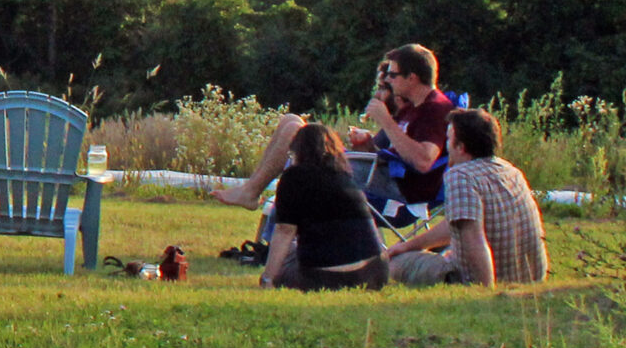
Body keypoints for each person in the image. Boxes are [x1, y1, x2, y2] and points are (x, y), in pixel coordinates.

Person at [213, 44, 455, 223]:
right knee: (291, 121)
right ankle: (252, 192)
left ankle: (256, 201)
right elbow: (397, 153)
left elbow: (423, 161)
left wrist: (386, 121)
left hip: (399, 193)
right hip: (378, 174)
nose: (388, 81)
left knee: (299, 136)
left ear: (412, 78)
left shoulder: (435, 109)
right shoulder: (414, 108)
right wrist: (368, 147)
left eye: (392, 75)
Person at [385, 109, 547, 288]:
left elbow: (473, 236)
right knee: (427, 249)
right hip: (528, 277)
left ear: (460, 147)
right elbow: (456, 224)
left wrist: (485, 288)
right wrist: (409, 245)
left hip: (481, 277)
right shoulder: (511, 171)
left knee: (394, 263)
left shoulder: (460, 176)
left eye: (448, 140)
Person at [259, 122, 388, 292]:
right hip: (373, 273)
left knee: (287, 255)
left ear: (297, 150)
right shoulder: (344, 176)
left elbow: (285, 231)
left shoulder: (293, 177)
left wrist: (268, 278)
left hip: (325, 277)